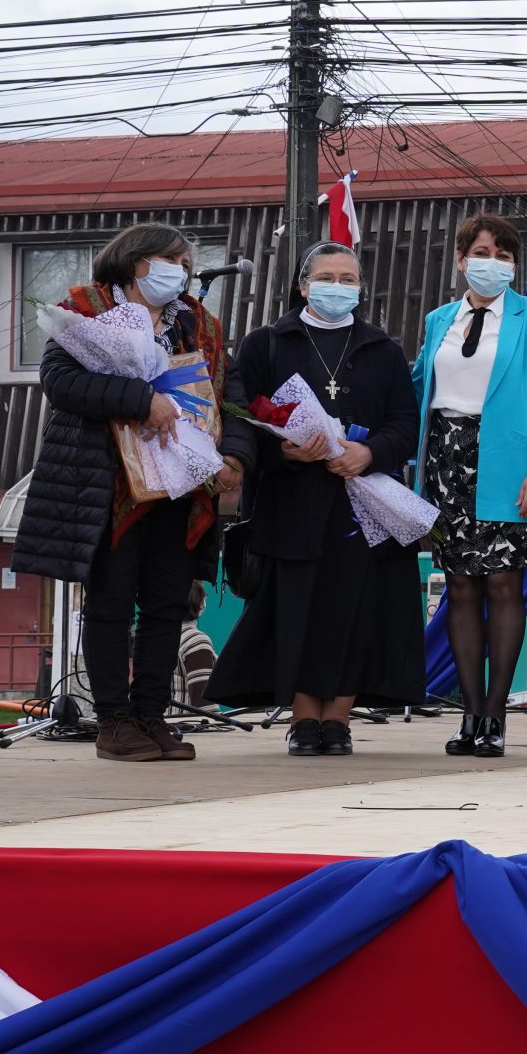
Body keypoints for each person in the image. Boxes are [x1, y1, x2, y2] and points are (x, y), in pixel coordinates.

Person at [11, 222, 237, 764]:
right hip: (107, 487)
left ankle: (151, 717)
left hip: (179, 487)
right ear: (133, 261)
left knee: (167, 606)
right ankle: (113, 721)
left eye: (184, 262)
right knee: (112, 606)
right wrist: (142, 400)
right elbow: (61, 383)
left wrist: (234, 452)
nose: (177, 271)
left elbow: (226, 393)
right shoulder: (87, 312)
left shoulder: (198, 323)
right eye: (166, 259)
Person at [211, 242, 425, 753]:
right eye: (327, 276)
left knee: (354, 611)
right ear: (304, 285)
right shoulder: (266, 343)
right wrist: (285, 451)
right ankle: (304, 719)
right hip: (291, 502)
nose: (338, 286)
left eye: (348, 278)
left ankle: (340, 719)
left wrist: (369, 452)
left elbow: (406, 423)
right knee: (298, 610)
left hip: (363, 503)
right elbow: (240, 417)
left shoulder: (383, 348)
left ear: (360, 288)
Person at [411, 213, 527, 759]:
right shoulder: (438, 320)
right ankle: (469, 713)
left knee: (502, 585)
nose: (493, 262)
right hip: (447, 463)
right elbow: (419, 391)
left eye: (504, 254)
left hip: (509, 462)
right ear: (460, 260)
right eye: (482, 252)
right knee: (458, 587)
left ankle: (497, 715)